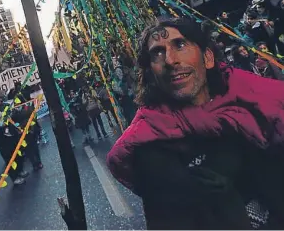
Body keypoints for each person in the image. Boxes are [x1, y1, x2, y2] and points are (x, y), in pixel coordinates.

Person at [107, 17, 284, 230]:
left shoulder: (252, 109)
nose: (170, 60)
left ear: (207, 58)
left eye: (180, 45)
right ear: (152, 74)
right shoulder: (152, 148)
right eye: (157, 53)